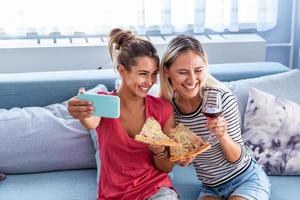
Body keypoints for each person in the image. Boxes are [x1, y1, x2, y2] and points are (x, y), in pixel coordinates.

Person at [68, 28, 179, 200]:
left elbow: (166, 167)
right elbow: (90, 121)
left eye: (154, 75)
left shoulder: (162, 109)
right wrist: (82, 110)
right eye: (143, 74)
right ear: (122, 71)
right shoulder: (104, 104)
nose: (149, 82)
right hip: (113, 195)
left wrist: (159, 151)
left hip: (155, 190)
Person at [159, 35, 270, 200]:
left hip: (246, 178)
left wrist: (223, 136)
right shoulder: (169, 109)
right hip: (211, 188)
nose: (192, 79)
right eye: (183, 72)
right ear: (167, 71)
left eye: (198, 70)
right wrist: (182, 158)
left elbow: (237, 161)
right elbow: (172, 158)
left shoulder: (221, 99)